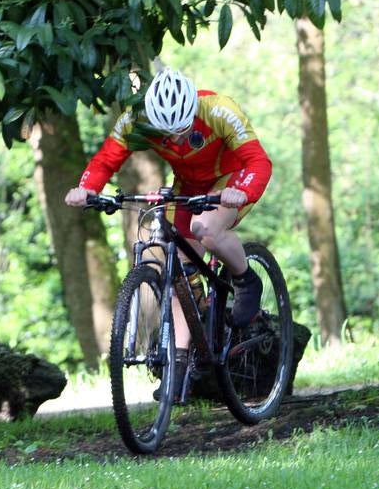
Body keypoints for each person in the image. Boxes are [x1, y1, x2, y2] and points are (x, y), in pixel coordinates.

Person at [64, 68, 273, 342]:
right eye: (167, 132)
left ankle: (245, 280)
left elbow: (258, 161)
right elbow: (106, 160)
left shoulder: (218, 110)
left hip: (229, 180)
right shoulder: (136, 119)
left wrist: (241, 192)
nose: (175, 139)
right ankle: (181, 364)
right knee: (179, 279)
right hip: (187, 186)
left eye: (182, 130)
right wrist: (87, 189)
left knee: (205, 229)